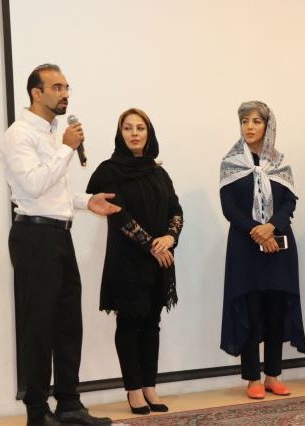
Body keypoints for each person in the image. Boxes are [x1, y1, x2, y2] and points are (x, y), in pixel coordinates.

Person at [0, 64, 119, 426]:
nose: (65, 94)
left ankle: (69, 404)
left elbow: (54, 191)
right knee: (38, 326)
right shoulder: (19, 135)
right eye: (56, 87)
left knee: (68, 324)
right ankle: (37, 412)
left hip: (59, 234)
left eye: (67, 87)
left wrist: (86, 201)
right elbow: (34, 186)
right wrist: (67, 149)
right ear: (36, 93)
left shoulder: (54, 134)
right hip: (35, 238)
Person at [86, 108, 183, 415]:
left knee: (152, 323)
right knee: (129, 324)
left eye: (140, 127)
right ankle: (133, 390)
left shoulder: (158, 172)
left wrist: (169, 238)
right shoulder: (109, 171)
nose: (134, 133)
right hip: (127, 261)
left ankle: (150, 386)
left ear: (148, 133)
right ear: (120, 134)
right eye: (127, 128)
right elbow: (119, 216)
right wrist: (151, 244)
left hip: (159, 260)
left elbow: (175, 209)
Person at [219, 100, 305, 400]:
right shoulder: (231, 163)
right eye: (244, 121)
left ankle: (273, 376)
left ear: (268, 126)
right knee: (250, 310)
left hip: (278, 245)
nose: (249, 127)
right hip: (245, 246)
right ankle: (252, 378)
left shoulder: (280, 162)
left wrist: (271, 227)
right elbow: (229, 207)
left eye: (256, 121)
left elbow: (289, 202)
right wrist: (257, 231)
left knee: (275, 311)